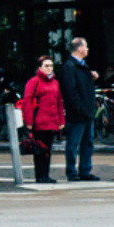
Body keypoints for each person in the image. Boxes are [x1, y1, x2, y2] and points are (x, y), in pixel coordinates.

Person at [59, 37, 100, 181]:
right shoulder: (70, 66)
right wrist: (80, 108)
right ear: (79, 48)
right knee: (73, 143)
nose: (87, 49)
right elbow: (70, 91)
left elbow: (83, 86)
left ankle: (85, 170)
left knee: (88, 142)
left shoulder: (82, 66)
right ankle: (72, 171)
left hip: (87, 111)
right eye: (86, 46)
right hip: (78, 113)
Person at [22, 56, 65, 184]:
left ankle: (45, 175)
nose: (49, 68)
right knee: (39, 150)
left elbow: (59, 102)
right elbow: (27, 102)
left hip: (51, 121)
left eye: (51, 66)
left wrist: (61, 120)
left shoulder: (55, 83)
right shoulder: (34, 82)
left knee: (47, 150)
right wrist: (29, 121)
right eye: (46, 66)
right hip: (39, 121)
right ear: (40, 67)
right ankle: (40, 175)